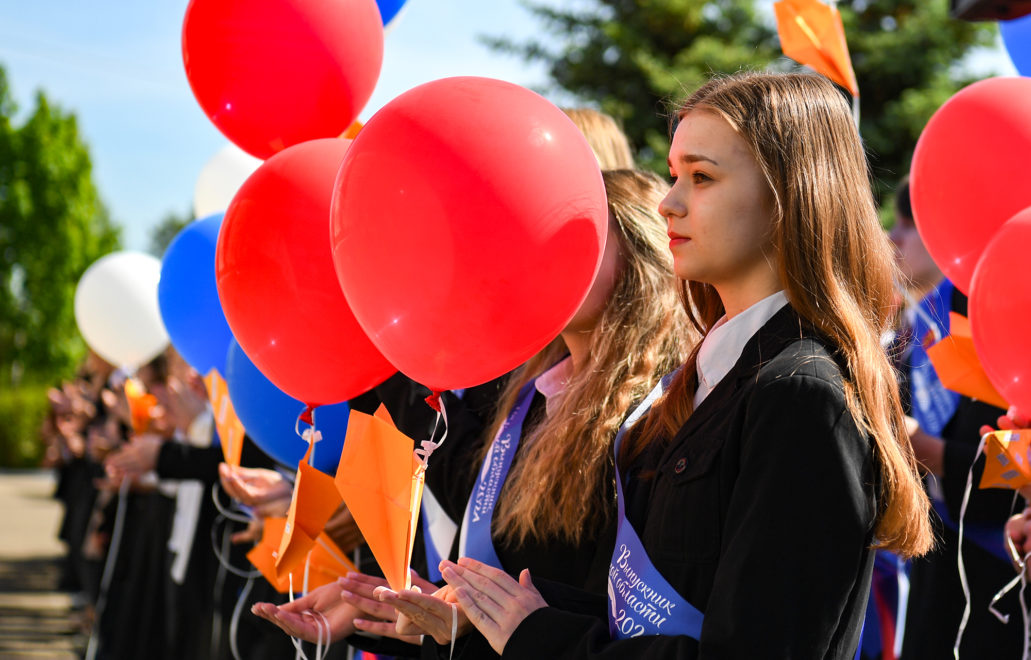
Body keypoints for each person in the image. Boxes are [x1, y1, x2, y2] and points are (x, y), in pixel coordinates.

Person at [430, 71, 934, 659]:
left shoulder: (800, 391)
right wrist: (487, 613)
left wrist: (542, 638)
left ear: (789, 196)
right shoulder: (713, 375)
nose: (669, 202)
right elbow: (652, 619)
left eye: (701, 177)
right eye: (675, 175)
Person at [252, 168, 692, 658]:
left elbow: (609, 621)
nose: (544, 259)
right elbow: (505, 595)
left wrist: (476, 623)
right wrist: (413, 615)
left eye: (577, 240)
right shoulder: (530, 400)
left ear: (642, 256)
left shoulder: (662, 410)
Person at [887, 178, 1026, 659]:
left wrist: (928, 450)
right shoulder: (920, 322)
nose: (893, 237)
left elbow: (1016, 466)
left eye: (911, 223)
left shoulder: (998, 314)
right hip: (937, 562)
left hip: (997, 576)